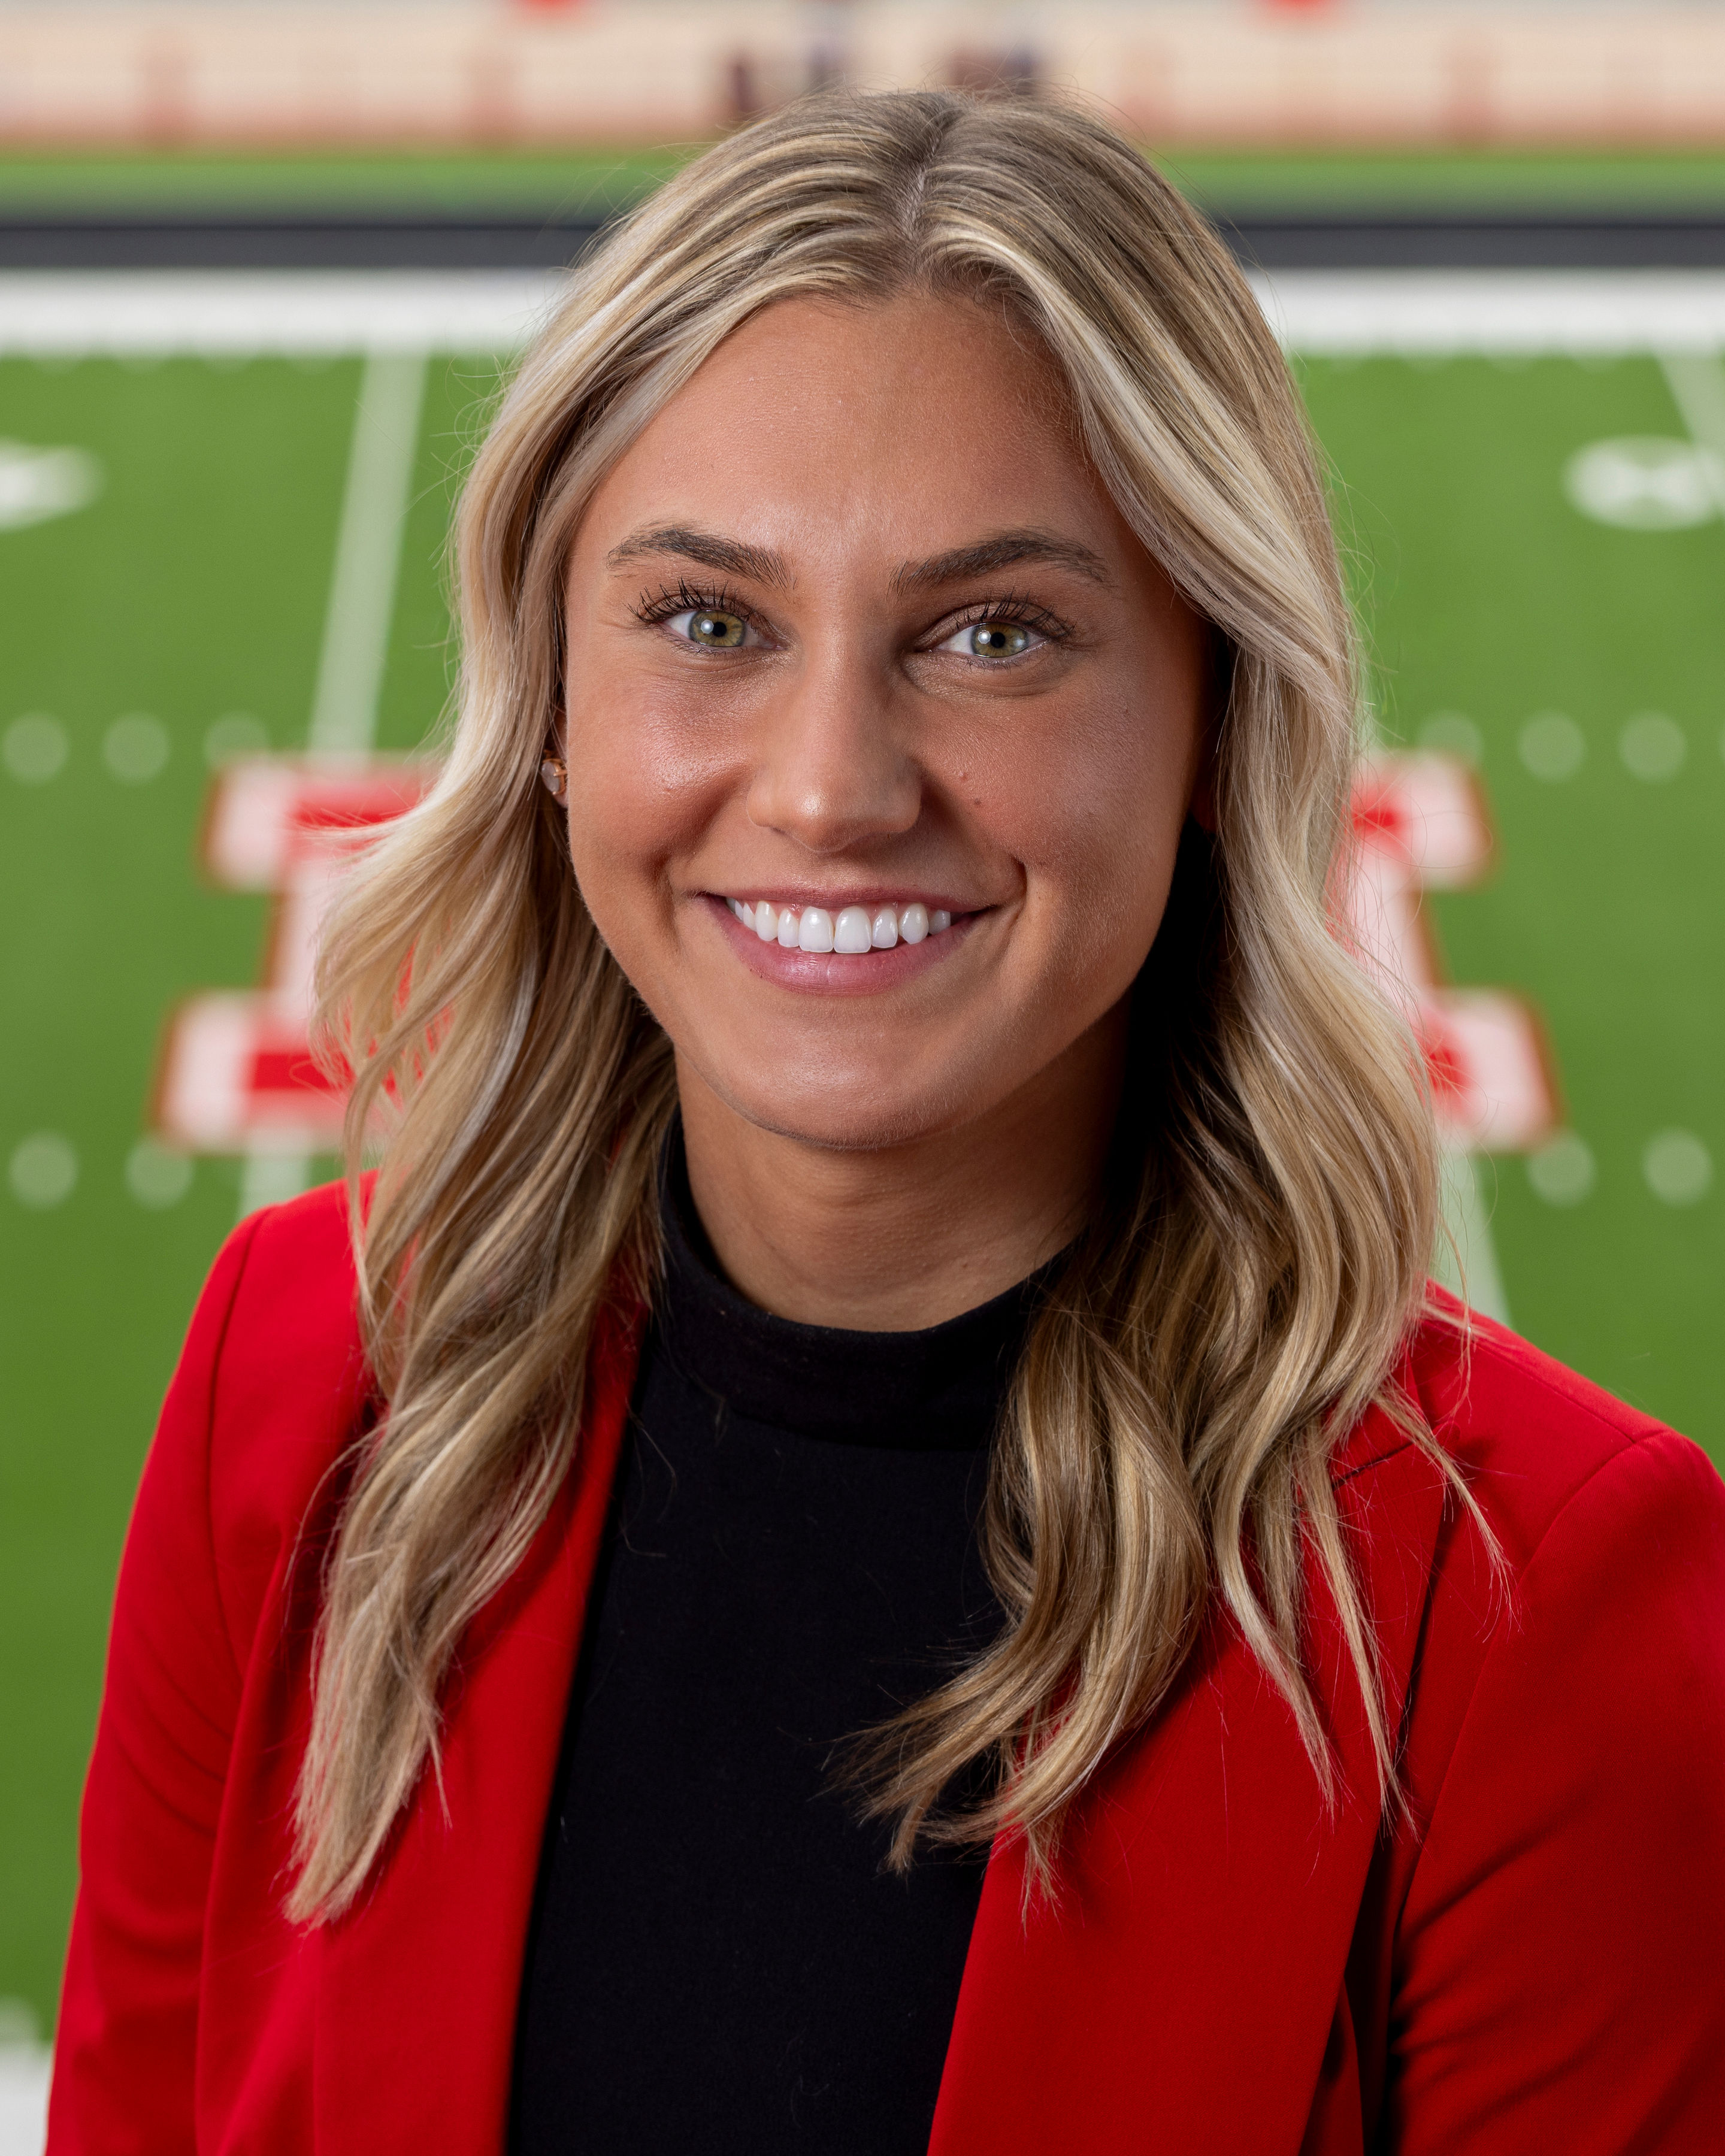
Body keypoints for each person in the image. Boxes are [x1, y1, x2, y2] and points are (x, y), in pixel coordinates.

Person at [49, 88, 1725, 2156]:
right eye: (708, 622)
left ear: (1218, 716)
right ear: (553, 707)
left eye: (996, 635)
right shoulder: (293, 1378)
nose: (834, 783)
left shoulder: (1536, 1596)